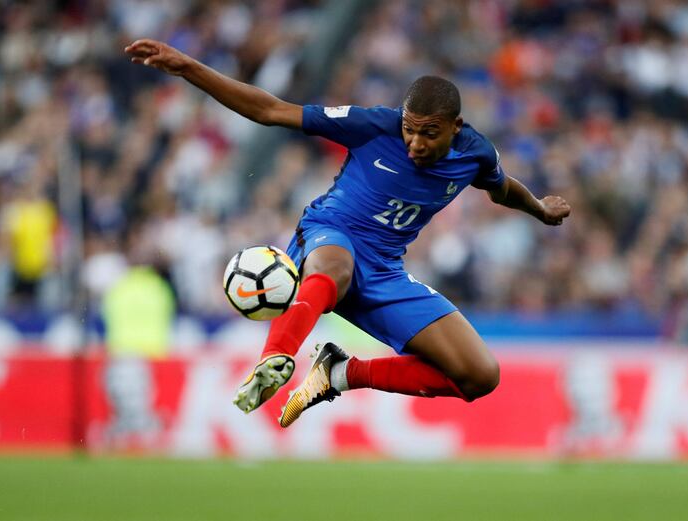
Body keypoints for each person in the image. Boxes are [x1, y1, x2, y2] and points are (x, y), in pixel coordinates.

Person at [125, 39, 571, 428]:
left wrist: (539, 208)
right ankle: (274, 358)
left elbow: (502, 188)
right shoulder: (373, 124)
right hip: (328, 235)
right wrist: (188, 68)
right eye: (409, 130)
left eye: (428, 134)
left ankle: (338, 372)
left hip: (383, 272)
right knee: (337, 265)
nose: (415, 143)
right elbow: (270, 109)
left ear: (455, 128)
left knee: (479, 376)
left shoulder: (475, 155)